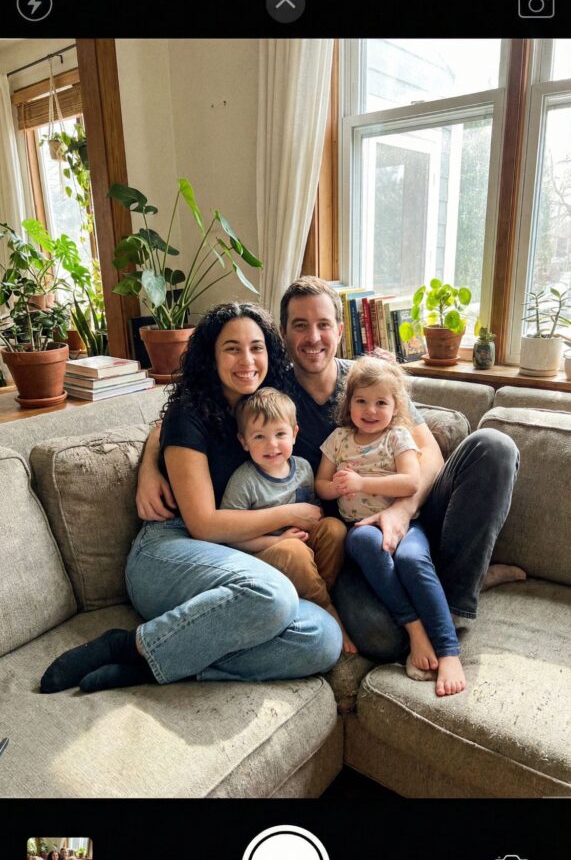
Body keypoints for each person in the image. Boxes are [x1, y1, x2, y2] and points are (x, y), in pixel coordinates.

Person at [134, 277, 522, 664]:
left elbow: (430, 454)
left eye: (323, 324)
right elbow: (186, 418)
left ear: (339, 329)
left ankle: (454, 602)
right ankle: (446, 584)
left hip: (412, 507)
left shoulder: (366, 380)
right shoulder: (270, 392)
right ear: (283, 334)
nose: (313, 337)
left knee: (493, 446)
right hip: (356, 538)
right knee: (381, 639)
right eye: (300, 325)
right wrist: (150, 464)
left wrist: (401, 512)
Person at [40, 302, 342, 695]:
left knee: (323, 637)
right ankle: (124, 645)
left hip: (234, 557)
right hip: (169, 550)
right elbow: (203, 524)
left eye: (256, 347)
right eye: (232, 348)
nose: (247, 360)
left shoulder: (268, 409)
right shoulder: (191, 413)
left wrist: (151, 460)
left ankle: (160, 663)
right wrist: (291, 514)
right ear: (211, 357)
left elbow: (158, 427)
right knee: (274, 594)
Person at [316, 356, 465, 696]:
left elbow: (411, 483)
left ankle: (449, 651)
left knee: (412, 559)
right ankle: (416, 630)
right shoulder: (338, 439)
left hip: (406, 525)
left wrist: (362, 483)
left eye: (381, 403)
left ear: (396, 406)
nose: (370, 410)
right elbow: (321, 485)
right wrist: (337, 486)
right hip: (359, 529)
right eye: (361, 401)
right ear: (348, 403)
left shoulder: (398, 437)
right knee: (367, 542)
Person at [220, 386, 355, 652]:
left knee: (334, 528)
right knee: (293, 550)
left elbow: (314, 515)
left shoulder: (303, 468)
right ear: (244, 441)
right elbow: (231, 538)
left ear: (294, 433)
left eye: (280, 434)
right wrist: (277, 540)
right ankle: (327, 608)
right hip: (267, 554)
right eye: (259, 436)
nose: (271, 445)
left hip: (304, 551)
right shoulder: (244, 480)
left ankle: (316, 593)